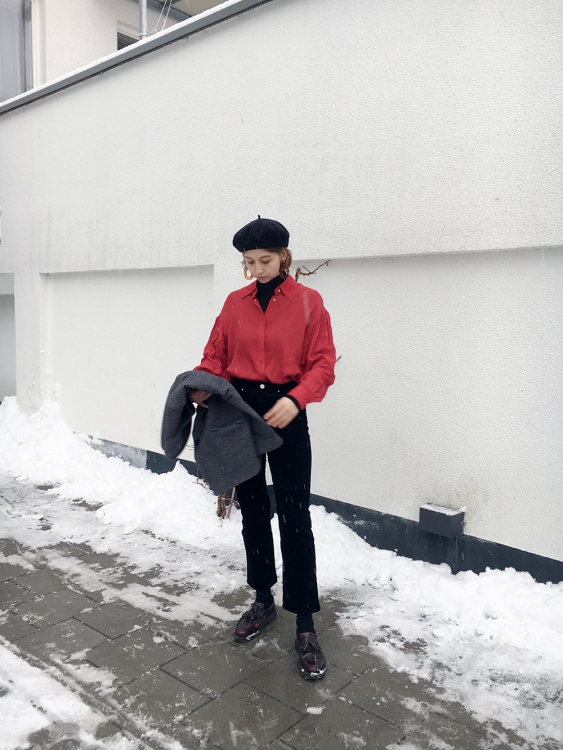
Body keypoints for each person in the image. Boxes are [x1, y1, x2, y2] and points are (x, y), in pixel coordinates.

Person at [188, 217, 336, 680]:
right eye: (249, 262)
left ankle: (306, 625)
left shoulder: (309, 303)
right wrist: (202, 385)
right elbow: (215, 356)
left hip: (289, 414)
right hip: (242, 416)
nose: (256, 269)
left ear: (284, 256)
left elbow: (323, 364)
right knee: (252, 512)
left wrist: (297, 398)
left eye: (265, 260)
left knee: (295, 517)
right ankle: (262, 601)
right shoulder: (234, 304)